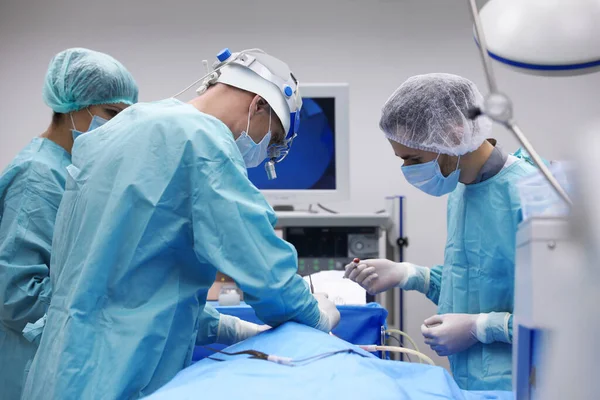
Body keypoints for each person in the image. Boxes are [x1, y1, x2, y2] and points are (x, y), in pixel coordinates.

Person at [22, 48, 340, 399]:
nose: (264, 151)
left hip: (59, 368)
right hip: (120, 377)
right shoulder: (204, 144)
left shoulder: (121, 129)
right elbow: (267, 273)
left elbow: (126, 284)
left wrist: (231, 328)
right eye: (273, 139)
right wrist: (318, 315)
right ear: (258, 106)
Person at [344, 73, 536, 391]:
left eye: (414, 158)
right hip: (471, 383)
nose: (408, 170)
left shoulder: (530, 195)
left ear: (453, 134)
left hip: (524, 384)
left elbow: (562, 318)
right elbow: (474, 283)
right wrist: (408, 274)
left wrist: (479, 327)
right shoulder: (462, 188)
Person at [0, 48, 139, 400]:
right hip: (28, 364)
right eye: (111, 112)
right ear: (71, 105)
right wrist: (101, 311)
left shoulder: (71, 170)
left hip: (58, 358)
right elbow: (17, 294)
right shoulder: (37, 174)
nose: (118, 125)